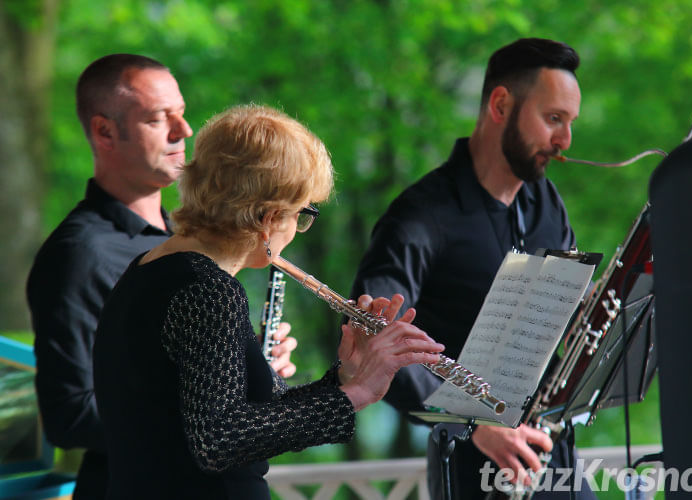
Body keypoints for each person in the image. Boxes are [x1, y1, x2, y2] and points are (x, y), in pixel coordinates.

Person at [91, 104, 445, 499]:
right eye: (302, 214)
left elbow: (223, 421)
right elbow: (220, 441)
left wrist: (344, 377)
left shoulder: (149, 267)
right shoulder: (208, 290)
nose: (297, 230)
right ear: (269, 218)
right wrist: (358, 393)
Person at [25, 54, 297, 499]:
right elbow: (69, 414)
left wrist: (254, 375)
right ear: (104, 131)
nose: (183, 131)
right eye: (157, 118)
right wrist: (211, 406)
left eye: (182, 113)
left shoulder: (184, 239)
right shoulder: (80, 254)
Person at [349, 38, 597, 499]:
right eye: (553, 119)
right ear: (501, 104)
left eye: (569, 122)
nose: (565, 141)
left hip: (554, 458)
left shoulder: (547, 203)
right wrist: (471, 422)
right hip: (472, 471)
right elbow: (371, 330)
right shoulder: (421, 216)